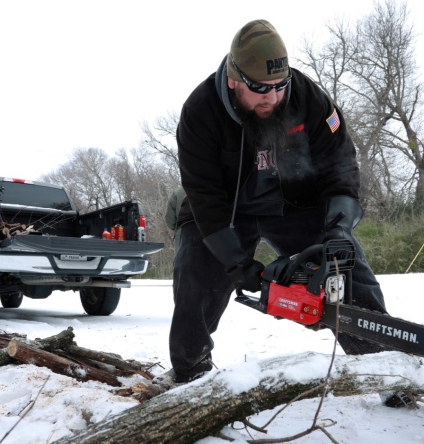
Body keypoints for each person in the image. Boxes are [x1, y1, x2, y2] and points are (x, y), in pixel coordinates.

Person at [163, 19, 391, 387]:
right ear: (235, 79)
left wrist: (339, 227)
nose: (271, 96)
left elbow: (342, 163)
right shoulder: (200, 111)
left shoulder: (308, 97)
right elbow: (204, 196)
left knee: (345, 266)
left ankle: (386, 365)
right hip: (225, 211)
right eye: (259, 88)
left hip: (294, 205)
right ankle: (191, 371)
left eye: (278, 86)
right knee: (195, 271)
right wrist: (239, 264)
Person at [164, 186, 188, 251]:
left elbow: (170, 219)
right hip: (206, 235)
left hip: (182, 234)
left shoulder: (177, 193)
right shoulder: (209, 190)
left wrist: (177, 228)